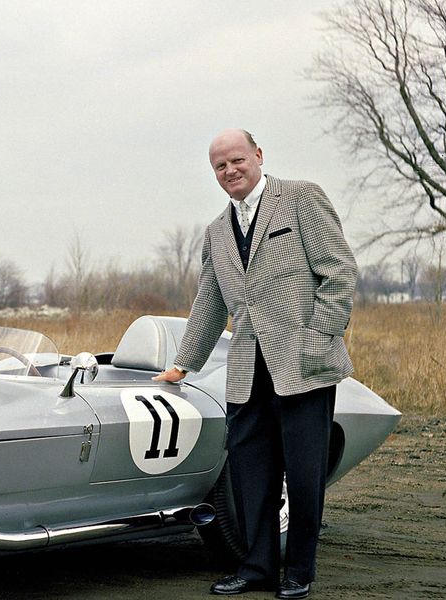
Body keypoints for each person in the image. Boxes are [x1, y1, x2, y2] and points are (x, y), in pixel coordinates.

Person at [152, 129, 357, 599]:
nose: (230, 171)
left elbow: (339, 271)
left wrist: (318, 335)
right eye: (220, 166)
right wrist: (183, 365)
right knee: (250, 474)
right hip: (245, 370)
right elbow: (210, 301)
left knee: (304, 474)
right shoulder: (217, 232)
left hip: (303, 364)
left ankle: (299, 571)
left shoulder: (302, 198)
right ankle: (258, 567)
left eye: (237, 160)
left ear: (259, 155)